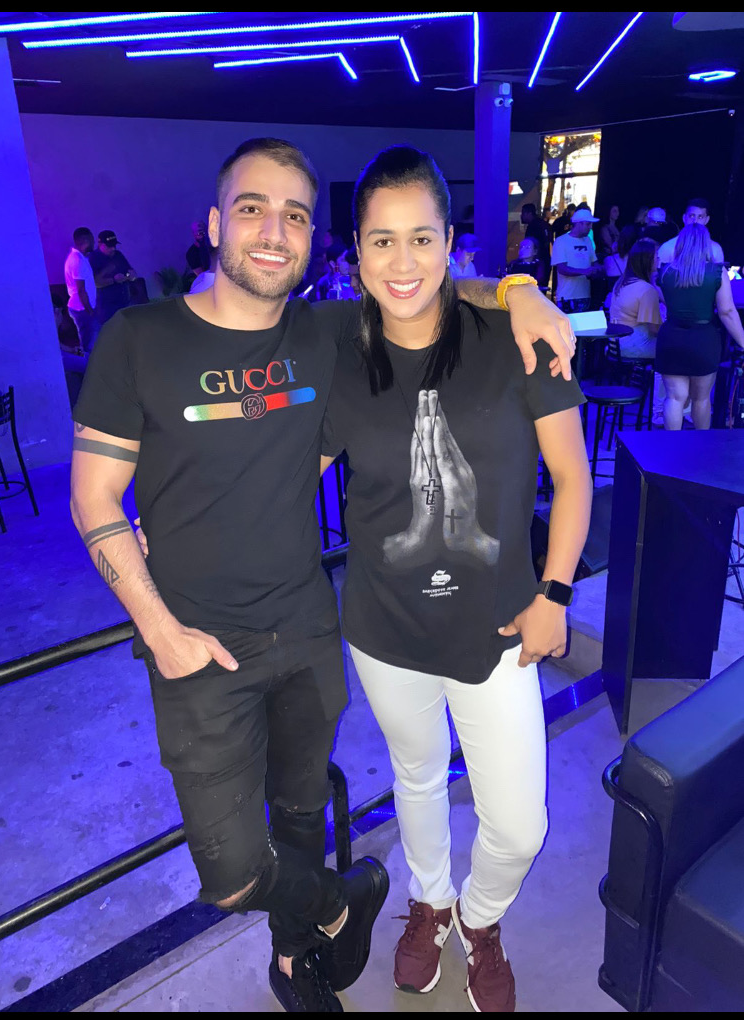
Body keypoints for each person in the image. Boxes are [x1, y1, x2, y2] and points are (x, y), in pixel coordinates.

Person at [70, 136, 576, 1012]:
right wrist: (158, 608)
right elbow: (103, 494)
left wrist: (520, 289)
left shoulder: (341, 333)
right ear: (214, 223)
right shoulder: (157, 338)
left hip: (343, 627)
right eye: (252, 209)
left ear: (314, 239)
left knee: (349, 816)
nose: (274, 231)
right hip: (243, 638)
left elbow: (428, 289)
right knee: (261, 856)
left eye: (295, 215)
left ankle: (366, 944)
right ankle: (378, 903)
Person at [321, 145, 592, 1013]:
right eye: (381, 240)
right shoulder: (339, 356)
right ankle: (430, 902)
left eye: (421, 238)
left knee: (519, 824)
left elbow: (573, 478)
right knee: (417, 777)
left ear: (449, 243)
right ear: (356, 251)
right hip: (384, 626)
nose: (402, 262)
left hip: (499, 626)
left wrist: (555, 594)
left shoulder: (516, 340)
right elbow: (284, 476)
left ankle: (481, 919)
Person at [657, 224, 744, 429]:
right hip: (703, 340)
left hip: (671, 338)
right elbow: (727, 312)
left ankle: (671, 446)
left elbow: (664, 300)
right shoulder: (717, 273)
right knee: (702, 399)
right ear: (706, 245)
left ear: (680, 244)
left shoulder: (665, 272)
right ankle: (700, 445)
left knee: (674, 398)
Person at [609, 239, 662, 359]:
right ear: (647, 260)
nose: (659, 260)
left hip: (616, 343)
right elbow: (654, 330)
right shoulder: (646, 290)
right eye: (656, 257)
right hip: (635, 345)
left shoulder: (621, 282)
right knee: (678, 348)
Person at [551, 208, 602, 313]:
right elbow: (562, 269)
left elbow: (594, 262)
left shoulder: (588, 240)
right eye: (588, 224)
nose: (590, 227)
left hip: (585, 295)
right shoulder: (561, 241)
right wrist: (585, 271)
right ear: (579, 224)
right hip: (567, 296)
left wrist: (599, 269)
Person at [64, 227, 100, 354]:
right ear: (86, 240)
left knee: (91, 342)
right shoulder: (78, 261)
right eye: (92, 239)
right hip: (82, 308)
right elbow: (81, 290)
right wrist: (90, 311)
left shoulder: (80, 258)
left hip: (83, 308)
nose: (94, 242)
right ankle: (89, 365)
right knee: (90, 345)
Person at [89, 230, 137, 325]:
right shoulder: (93, 258)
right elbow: (94, 282)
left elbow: (130, 271)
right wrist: (114, 280)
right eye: (109, 246)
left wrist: (131, 275)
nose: (112, 249)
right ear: (100, 244)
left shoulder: (118, 255)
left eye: (114, 245)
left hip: (124, 302)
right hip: (107, 307)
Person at [657, 198, 725, 266]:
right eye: (691, 216)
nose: (695, 221)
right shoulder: (668, 247)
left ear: (707, 220)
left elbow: (719, 272)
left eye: (700, 217)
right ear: (684, 218)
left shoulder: (715, 249)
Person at [604, 224, 641, 292]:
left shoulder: (609, 260)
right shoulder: (640, 261)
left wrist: (613, 252)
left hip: (613, 297)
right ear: (637, 241)